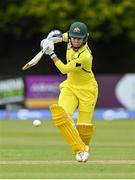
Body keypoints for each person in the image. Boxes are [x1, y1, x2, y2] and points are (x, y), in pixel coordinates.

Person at [40, 22, 98, 162]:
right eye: (73, 38)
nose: (76, 40)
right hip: (70, 87)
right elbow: (60, 36)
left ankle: (82, 148)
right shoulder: (70, 39)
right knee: (61, 114)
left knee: (83, 127)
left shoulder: (85, 56)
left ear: (85, 38)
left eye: (79, 38)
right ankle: (81, 149)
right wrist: (50, 39)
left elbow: (64, 69)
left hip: (88, 91)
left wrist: (51, 53)